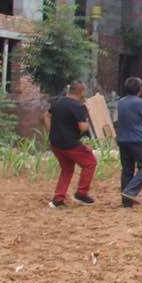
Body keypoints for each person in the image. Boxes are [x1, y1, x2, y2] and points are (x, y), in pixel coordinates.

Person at [44, 80, 97, 208]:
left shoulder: (57, 102)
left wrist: (52, 131)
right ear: (81, 92)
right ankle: (81, 193)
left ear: (70, 90)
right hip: (70, 143)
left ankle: (58, 199)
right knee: (90, 162)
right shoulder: (77, 106)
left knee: (67, 169)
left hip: (55, 143)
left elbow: (46, 116)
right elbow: (83, 127)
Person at [116, 76, 142, 208]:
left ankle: (126, 202)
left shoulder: (120, 102)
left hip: (122, 139)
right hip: (137, 140)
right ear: (139, 89)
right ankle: (130, 191)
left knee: (127, 169)